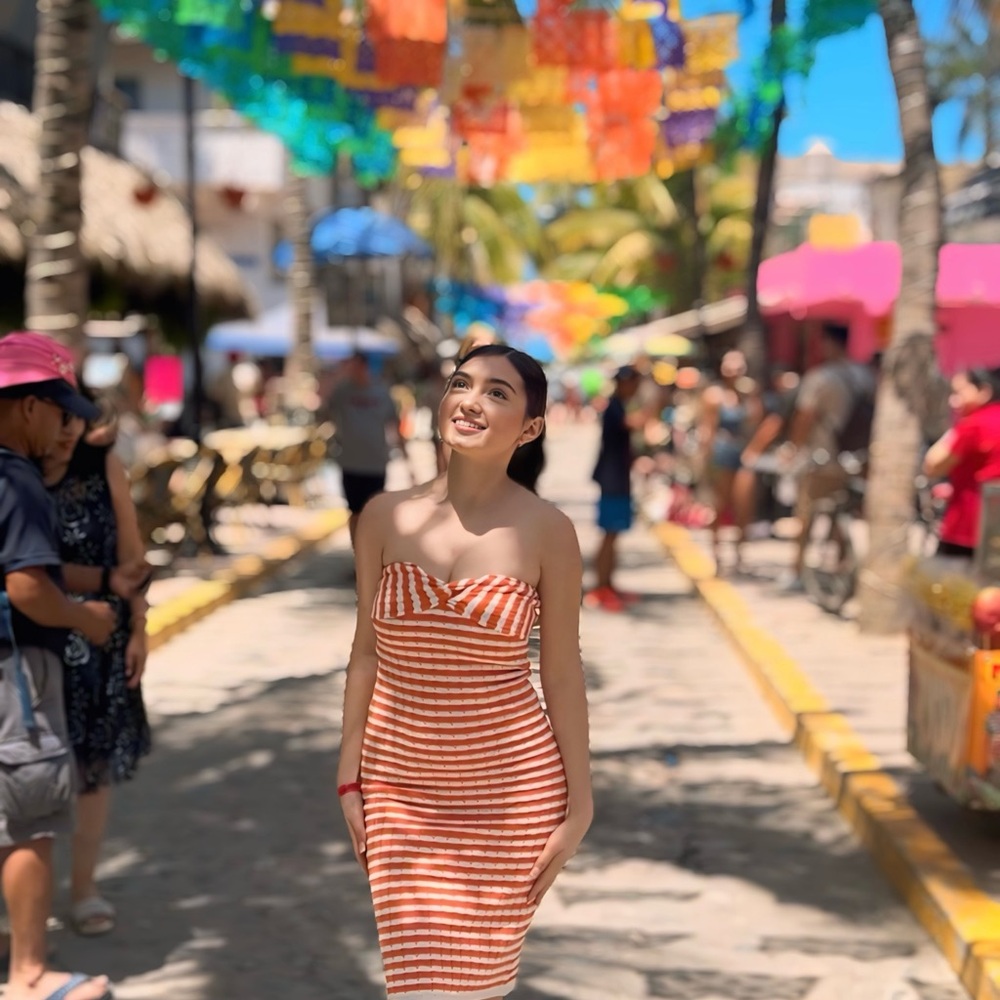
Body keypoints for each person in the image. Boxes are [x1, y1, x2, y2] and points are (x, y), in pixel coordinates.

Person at [338, 344, 591, 1000]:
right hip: (400, 792)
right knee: (417, 986)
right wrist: (349, 776)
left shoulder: (549, 531)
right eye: (461, 383)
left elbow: (561, 673)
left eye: (498, 392)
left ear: (530, 427)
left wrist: (580, 803)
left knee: (476, 987)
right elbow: (365, 650)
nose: (470, 400)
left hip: (512, 799)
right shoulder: (383, 517)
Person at [0, 332, 119, 1000]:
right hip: (16, 671)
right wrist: (86, 616)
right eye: (57, 408)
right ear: (26, 408)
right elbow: (28, 588)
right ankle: (30, 974)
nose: (65, 424)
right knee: (29, 819)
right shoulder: (17, 480)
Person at [43, 399, 152, 937]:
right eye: (55, 419)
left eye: (75, 418)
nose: (67, 432)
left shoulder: (101, 462)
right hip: (28, 638)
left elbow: (131, 548)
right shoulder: (13, 467)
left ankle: (83, 888)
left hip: (99, 641)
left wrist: (139, 625)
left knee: (92, 768)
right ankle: (23, 893)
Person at [781, 323, 876, 590]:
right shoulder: (865, 375)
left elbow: (805, 417)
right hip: (857, 459)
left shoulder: (820, 377)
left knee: (806, 516)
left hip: (822, 458)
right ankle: (843, 570)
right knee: (843, 512)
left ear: (829, 343)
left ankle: (796, 570)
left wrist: (793, 448)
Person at [324, 352, 411, 546]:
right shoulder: (342, 391)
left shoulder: (381, 392)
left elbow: (394, 426)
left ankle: (372, 555)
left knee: (373, 513)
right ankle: (358, 555)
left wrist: (407, 458)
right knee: (354, 512)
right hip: (350, 463)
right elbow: (324, 410)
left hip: (375, 463)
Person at [586, 366, 653, 612]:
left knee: (613, 536)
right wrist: (654, 402)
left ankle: (608, 585)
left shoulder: (619, 405)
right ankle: (600, 587)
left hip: (618, 478)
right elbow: (634, 424)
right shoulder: (614, 407)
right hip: (612, 479)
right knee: (608, 535)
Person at [924, 368, 1000, 558]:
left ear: (984, 392)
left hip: (968, 527)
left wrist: (957, 428)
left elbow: (932, 465)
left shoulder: (973, 425)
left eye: (958, 393)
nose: (953, 401)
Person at [698, 350, 761, 573]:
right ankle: (717, 552)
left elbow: (758, 422)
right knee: (720, 505)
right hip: (721, 453)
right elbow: (708, 428)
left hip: (742, 452)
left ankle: (739, 553)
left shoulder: (748, 394)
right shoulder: (715, 395)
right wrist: (705, 460)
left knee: (744, 504)